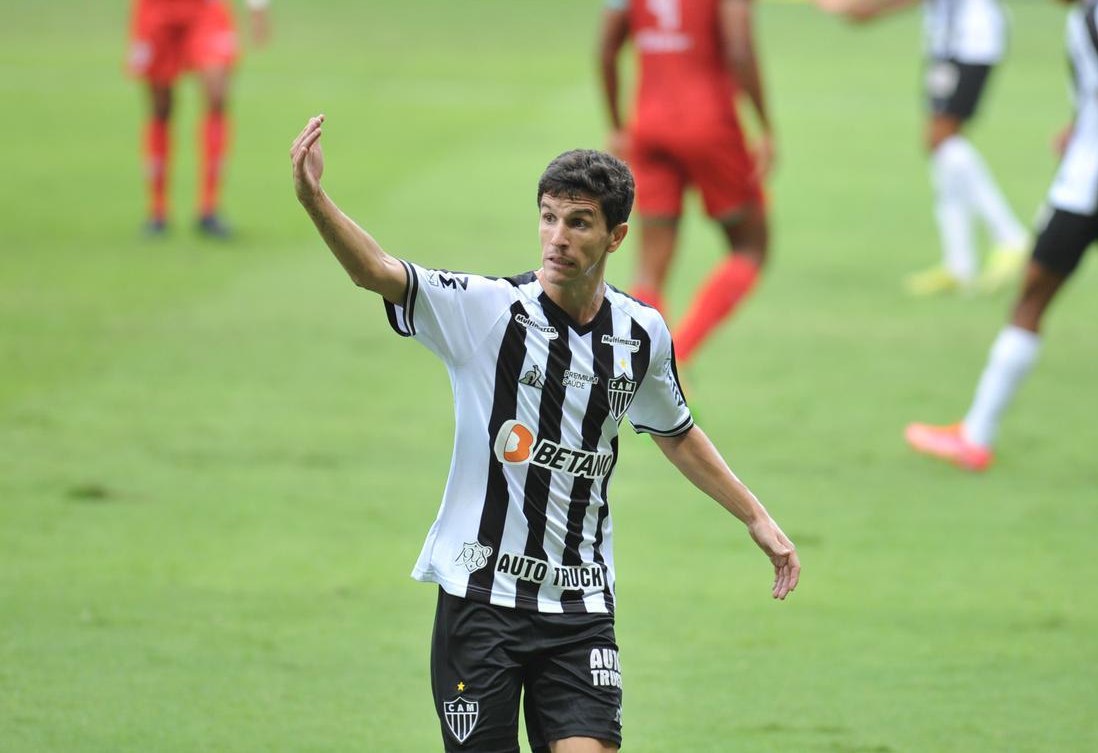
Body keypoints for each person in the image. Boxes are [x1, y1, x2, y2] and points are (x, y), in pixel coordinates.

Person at [290, 115, 801, 751]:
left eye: (578, 223)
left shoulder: (640, 334)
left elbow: (674, 431)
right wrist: (314, 198)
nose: (557, 238)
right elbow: (375, 270)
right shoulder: (486, 311)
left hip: (580, 606)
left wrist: (754, 516)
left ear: (616, 236)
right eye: (549, 217)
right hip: (482, 600)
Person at [905, 0, 1098, 485]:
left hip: (1085, 194)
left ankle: (976, 436)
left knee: (1028, 303)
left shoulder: (1090, 16)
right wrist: (1091, 129)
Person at [815, 0, 1031, 296]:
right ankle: (959, 264)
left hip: (968, 39)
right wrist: (859, 4)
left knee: (942, 140)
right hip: (952, 39)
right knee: (940, 143)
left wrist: (859, 6)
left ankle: (1010, 237)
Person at [598, 0, 773, 365]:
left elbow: (606, 48)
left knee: (650, 265)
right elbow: (739, 48)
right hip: (710, 124)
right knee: (750, 245)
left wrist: (617, 124)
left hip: (648, 123)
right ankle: (677, 356)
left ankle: (640, 364)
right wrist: (764, 125)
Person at [86, 0, 270, 238]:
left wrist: (257, 4)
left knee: (217, 95)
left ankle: (209, 209)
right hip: (157, 0)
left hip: (205, 1)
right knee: (161, 106)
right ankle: (158, 211)